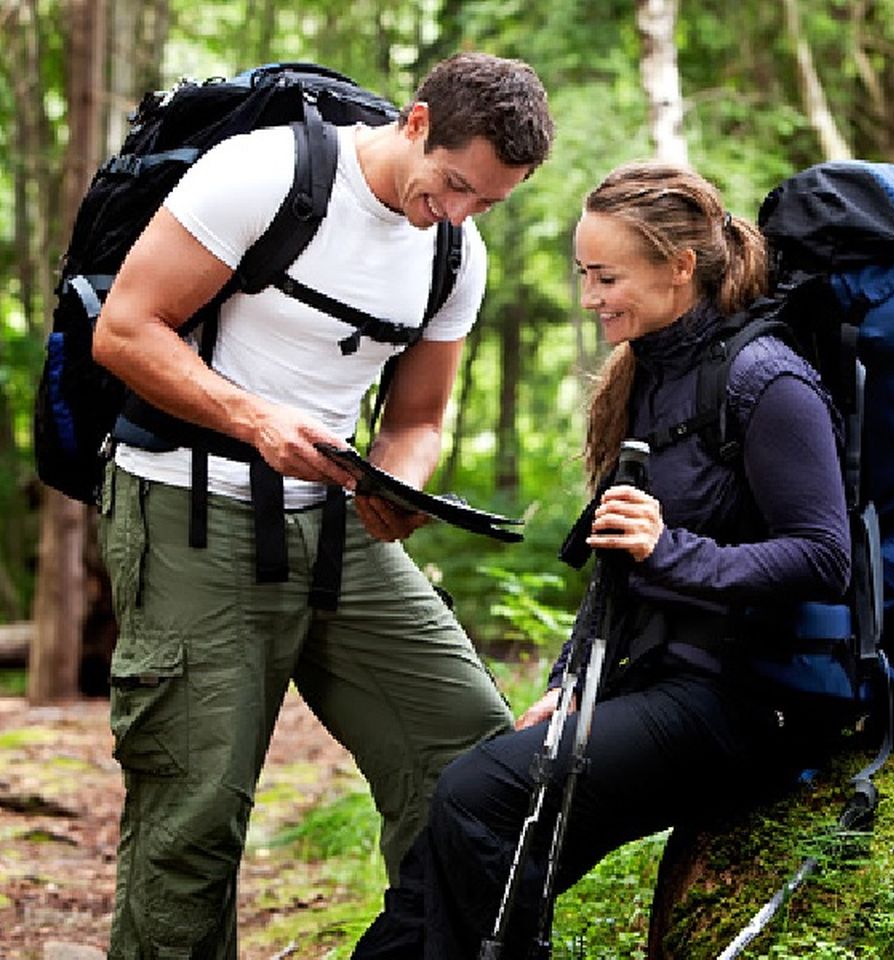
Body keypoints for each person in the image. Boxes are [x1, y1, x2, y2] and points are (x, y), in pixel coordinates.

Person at [91, 53, 554, 958]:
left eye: (488, 202)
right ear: (416, 124)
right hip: (189, 506)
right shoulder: (264, 173)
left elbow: (419, 417)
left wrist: (399, 481)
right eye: (455, 185)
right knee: (195, 812)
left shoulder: (456, 251)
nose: (458, 212)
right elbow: (125, 330)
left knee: (470, 757)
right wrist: (254, 417)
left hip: (336, 524)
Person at [351, 160, 853, 958]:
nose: (590, 298)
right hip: (660, 679)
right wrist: (567, 682)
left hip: (752, 701)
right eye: (584, 274)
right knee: (464, 852)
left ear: (679, 267)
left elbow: (825, 558)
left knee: (480, 796)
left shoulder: (766, 378)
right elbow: (617, 572)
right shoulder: (651, 373)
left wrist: (673, 550)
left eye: (606, 276)